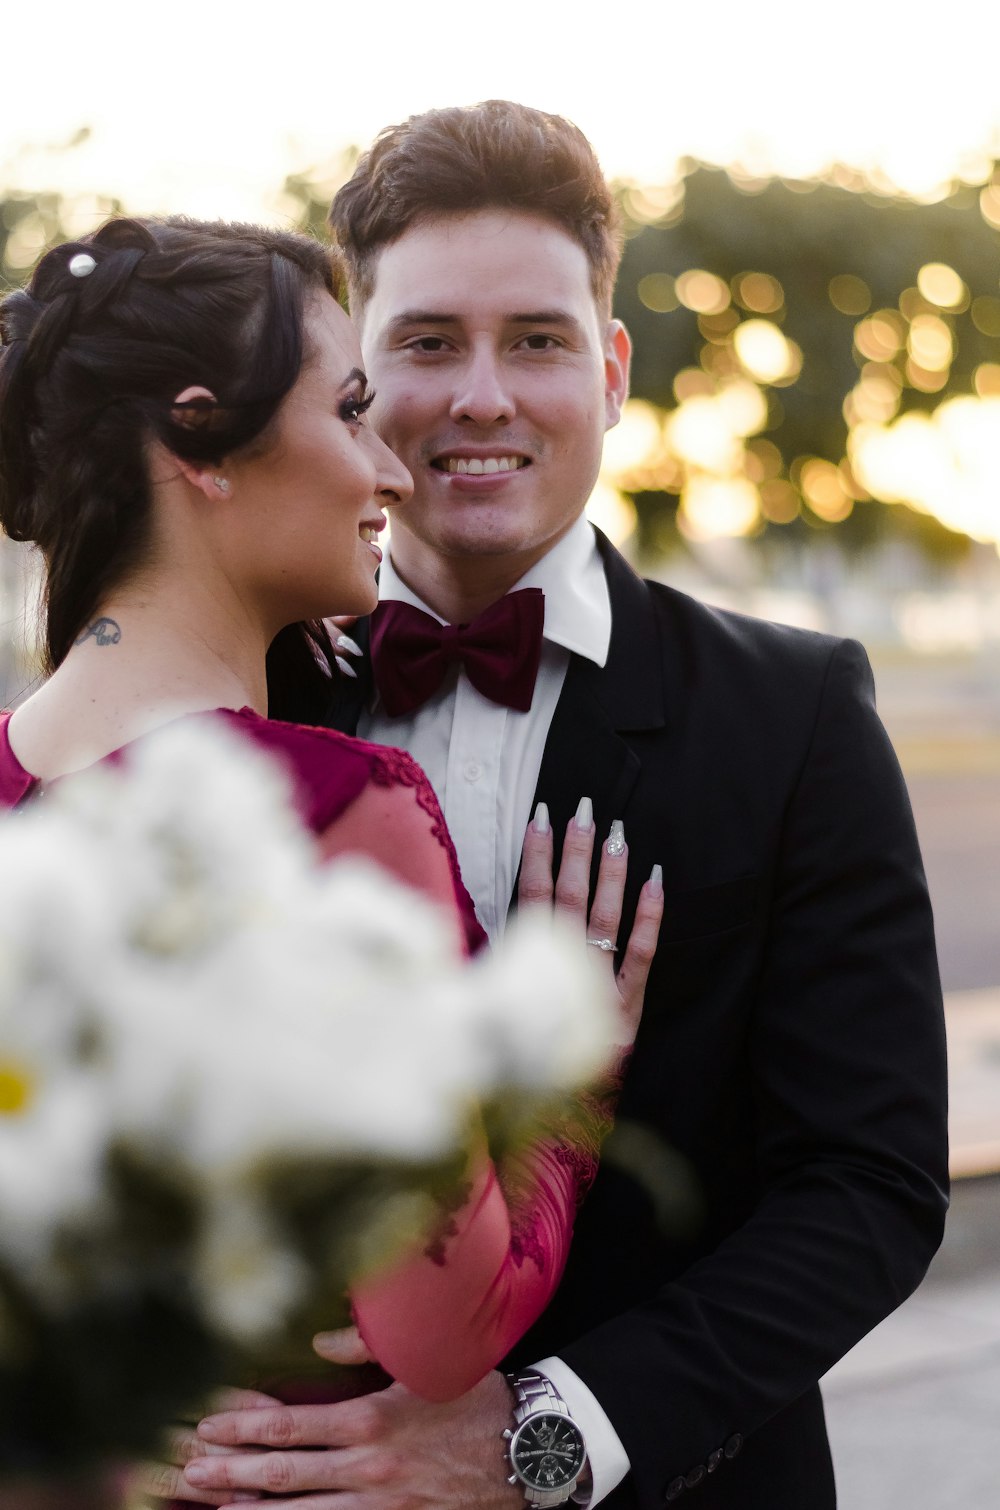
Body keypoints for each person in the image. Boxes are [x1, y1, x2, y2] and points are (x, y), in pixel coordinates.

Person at [180, 102, 950, 1510]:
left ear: (610, 369)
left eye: (535, 340)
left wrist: (548, 1431)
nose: (482, 395)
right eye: (424, 343)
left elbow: (869, 1187)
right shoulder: (229, 707)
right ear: (353, 380)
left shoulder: (794, 719)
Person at [0, 213, 663, 1497]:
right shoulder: (343, 805)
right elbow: (437, 1329)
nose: (393, 471)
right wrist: (570, 1085)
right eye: (352, 409)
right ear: (201, 443)